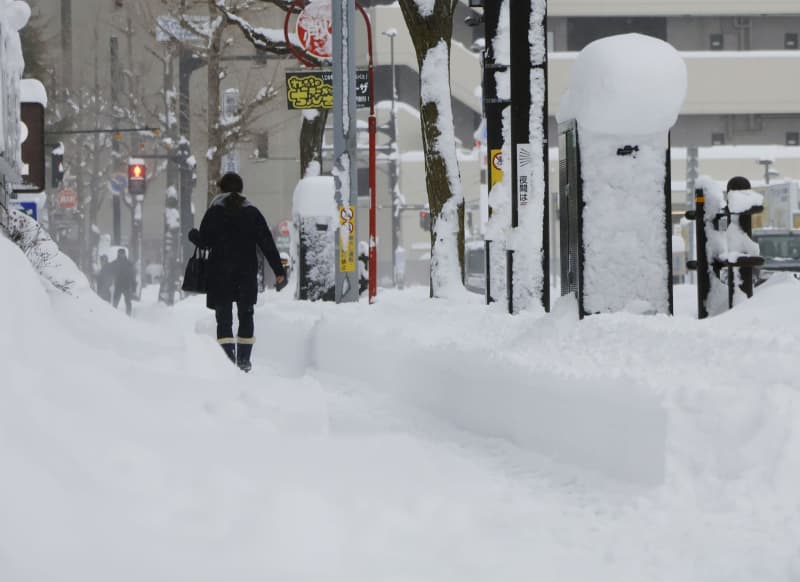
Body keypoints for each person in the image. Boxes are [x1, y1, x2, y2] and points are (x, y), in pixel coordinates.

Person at [189, 172, 287, 372]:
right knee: (246, 314)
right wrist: (279, 270)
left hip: (220, 272)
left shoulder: (214, 212)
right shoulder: (252, 212)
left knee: (224, 317)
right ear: (241, 189)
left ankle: (227, 361)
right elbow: (267, 243)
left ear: (221, 189)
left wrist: (193, 236)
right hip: (246, 272)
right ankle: (243, 360)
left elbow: (205, 242)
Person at [111, 248, 136, 315]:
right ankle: (113, 314)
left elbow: (132, 275)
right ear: (118, 254)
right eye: (120, 253)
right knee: (115, 302)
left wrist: (134, 286)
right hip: (118, 285)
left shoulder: (129, 264)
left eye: (122, 253)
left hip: (126, 286)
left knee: (128, 302)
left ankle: (128, 315)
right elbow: (110, 273)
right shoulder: (115, 263)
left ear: (125, 254)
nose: (121, 255)